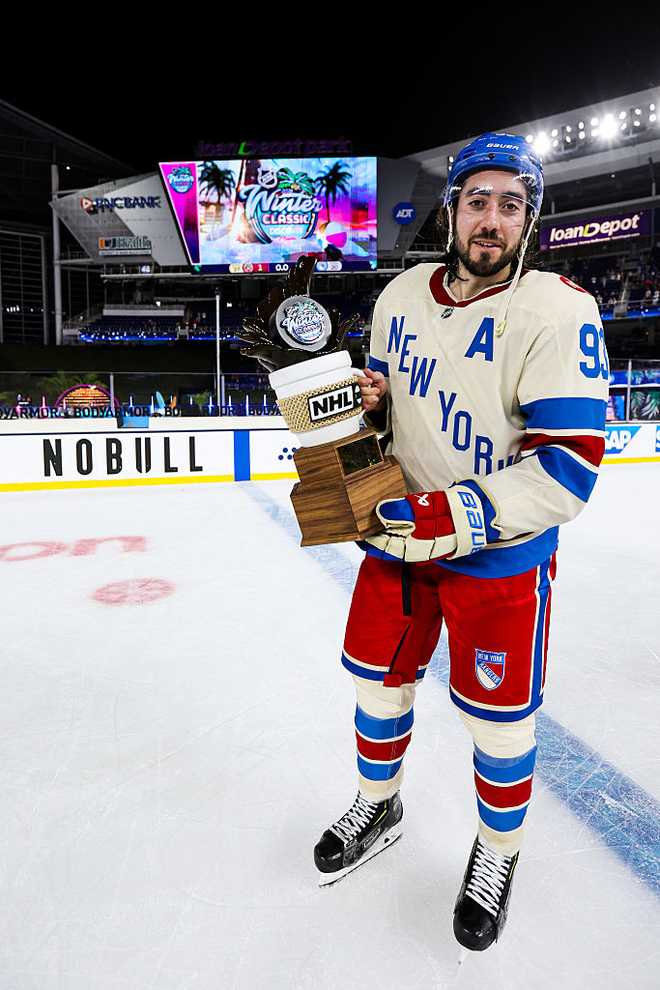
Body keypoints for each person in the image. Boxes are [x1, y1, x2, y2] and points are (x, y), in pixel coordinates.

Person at [313, 133, 609, 951]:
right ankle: (381, 803)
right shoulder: (400, 294)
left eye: (510, 205)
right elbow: (386, 410)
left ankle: (498, 850)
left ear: (530, 219)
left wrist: (451, 516)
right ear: (452, 210)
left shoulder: (559, 307)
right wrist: (365, 406)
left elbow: (569, 470)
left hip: (496, 557)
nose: (492, 219)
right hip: (395, 542)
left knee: (501, 723)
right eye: (478, 201)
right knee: (377, 686)